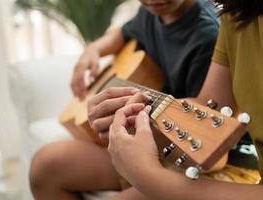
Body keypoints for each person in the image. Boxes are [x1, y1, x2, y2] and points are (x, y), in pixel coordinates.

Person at [87, 0, 263, 199]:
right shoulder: (234, 13)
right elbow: (209, 106)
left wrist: (149, 176)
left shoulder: (211, 26)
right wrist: (138, 112)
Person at [29, 0, 219, 199]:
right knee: (45, 166)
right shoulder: (152, 12)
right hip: (141, 141)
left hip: (179, 158)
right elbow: (122, 34)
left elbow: (203, 119)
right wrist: (93, 50)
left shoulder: (208, 35)